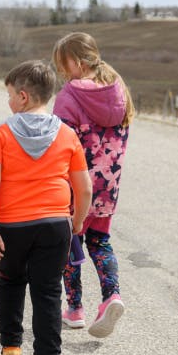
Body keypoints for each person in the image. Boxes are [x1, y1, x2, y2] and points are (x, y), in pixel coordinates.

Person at [0, 60, 92, 355]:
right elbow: (83, 187)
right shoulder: (67, 134)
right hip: (55, 224)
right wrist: (77, 221)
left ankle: (12, 348)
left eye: (11, 95)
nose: (9, 102)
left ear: (24, 97)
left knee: (11, 282)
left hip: (12, 225)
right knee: (47, 293)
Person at [51, 32, 135, 338]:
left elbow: (59, 143)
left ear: (76, 61)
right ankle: (111, 295)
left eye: (63, 64)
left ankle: (74, 309)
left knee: (70, 243)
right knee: (100, 241)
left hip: (76, 185)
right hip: (108, 184)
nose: (62, 71)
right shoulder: (118, 87)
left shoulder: (70, 96)